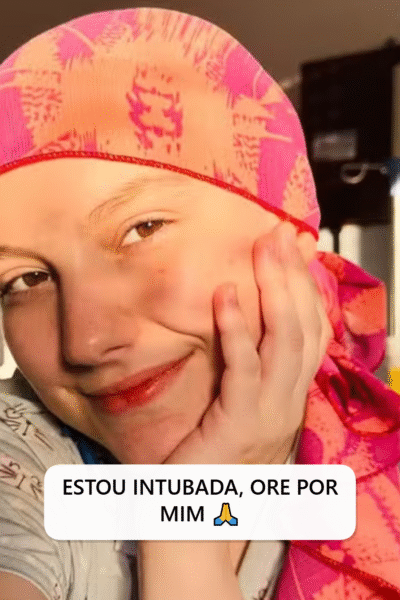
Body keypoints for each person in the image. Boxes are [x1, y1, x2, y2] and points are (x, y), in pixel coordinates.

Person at [0, 7, 399, 600]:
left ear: (290, 238)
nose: (86, 341)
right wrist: (189, 528)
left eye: (142, 229)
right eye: (25, 280)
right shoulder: (22, 463)